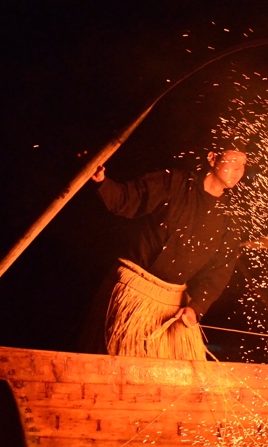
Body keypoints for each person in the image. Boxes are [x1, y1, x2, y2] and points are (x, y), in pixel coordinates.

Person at [82, 148, 247, 359]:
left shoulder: (229, 220)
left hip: (173, 305)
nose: (237, 170)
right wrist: (102, 181)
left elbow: (219, 272)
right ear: (212, 158)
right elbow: (127, 199)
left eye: (242, 165)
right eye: (232, 161)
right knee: (118, 365)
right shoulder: (174, 182)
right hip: (134, 292)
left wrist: (196, 308)